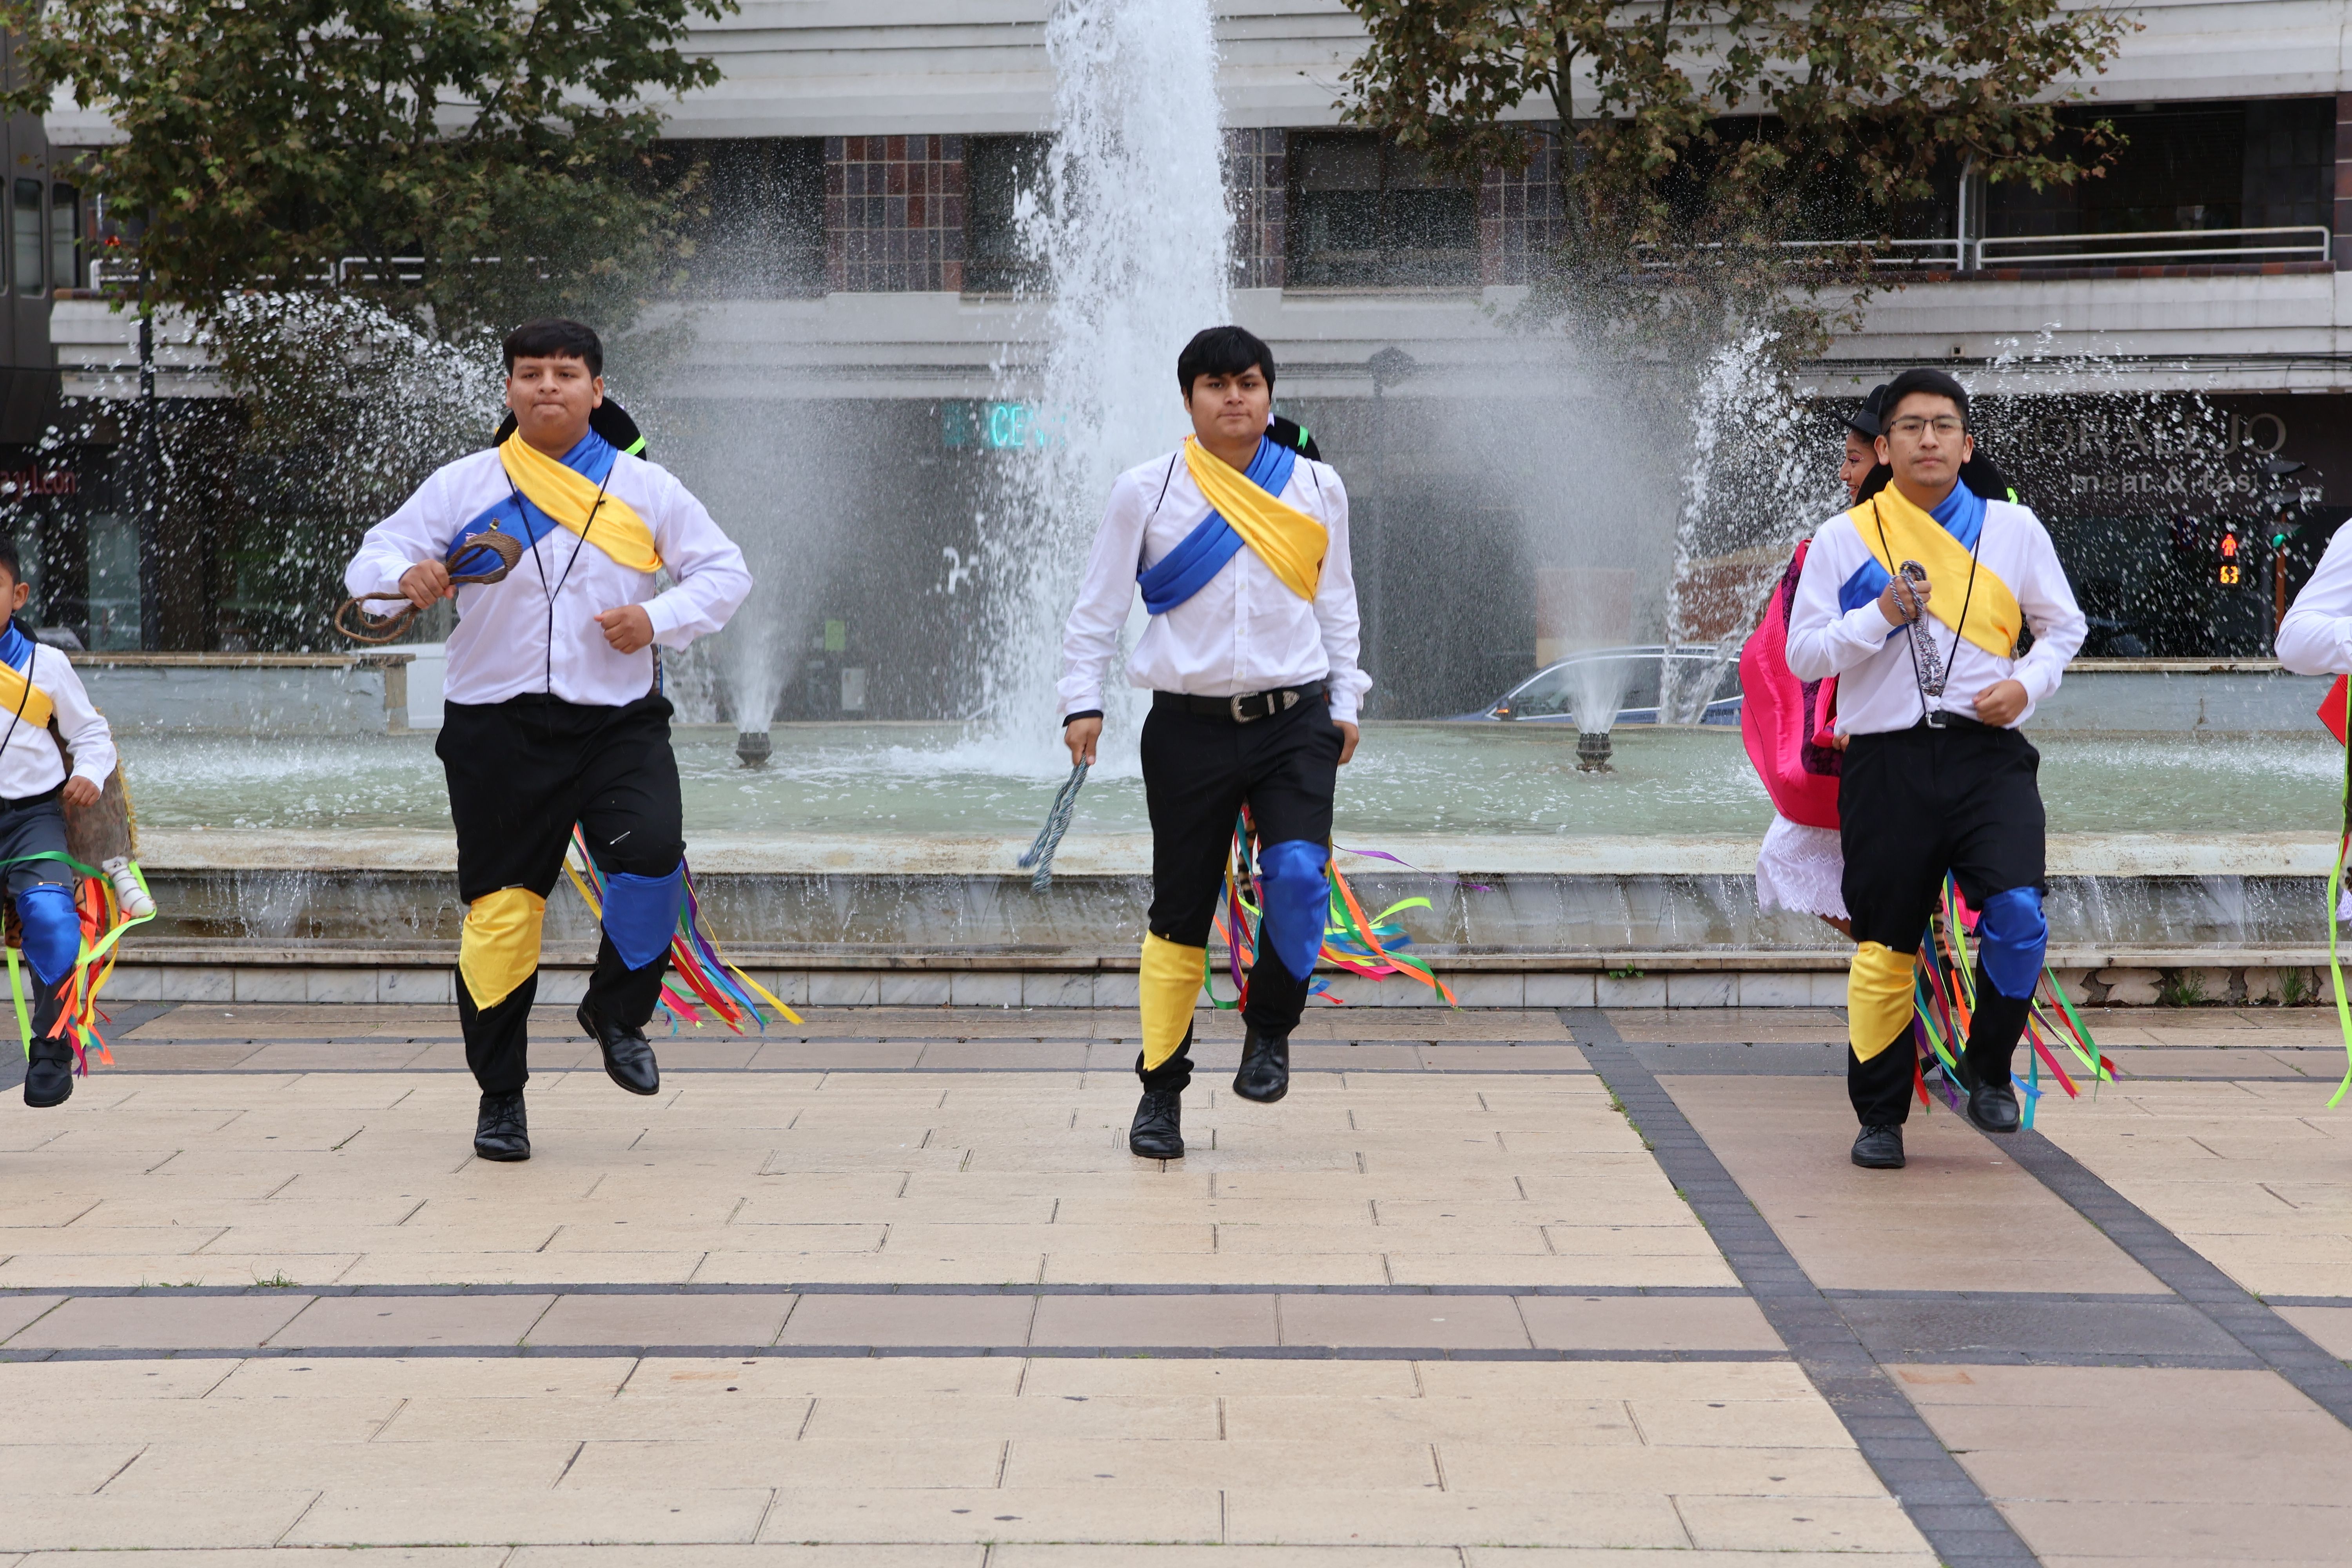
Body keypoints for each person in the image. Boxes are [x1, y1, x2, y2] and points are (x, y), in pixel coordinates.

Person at [346, 318, 750, 1162]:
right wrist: (402, 580)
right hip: (497, 727)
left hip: (617, 724)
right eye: (530, 373)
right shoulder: (462, 485)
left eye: (566, 373)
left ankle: (617, 1011)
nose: (548, 387)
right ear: (509, 390)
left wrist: (657, 616)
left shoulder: (647, 488)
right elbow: (376, 562)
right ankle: (502, 1098)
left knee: (652, 857)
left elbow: (725, 573)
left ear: (597, 391)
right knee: (503, 915)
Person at [1060, 324, 1368, 1160]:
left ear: (1270, 393)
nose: (1235, 397)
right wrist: (1080, 702)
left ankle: (1271, 1024)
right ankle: (1161, 1091)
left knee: (1300, 873)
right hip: (1187, 728)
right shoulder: (1146, 491)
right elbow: (1097, 609)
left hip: (1294, 719)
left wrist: (1347, 699)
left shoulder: (1316, 486)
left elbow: (1335, 603)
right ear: (1189, 398)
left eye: (1250, 382)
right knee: (1179, 914)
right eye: (1216, 385)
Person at [1785, 367, 2085, 1170]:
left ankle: (1988, 1065)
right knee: (1886, 946)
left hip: (1990, 757)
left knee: (2020, 910)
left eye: (1943, 426)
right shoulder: (1843, 538)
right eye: (1911, 426)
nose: (1928, 439)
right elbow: (1804, 652)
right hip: (1887, 761)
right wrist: (1878, 616)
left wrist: (2026, 684)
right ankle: (1880, 1117)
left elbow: (2065, 627)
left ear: (1967, 443)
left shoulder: (2014, 530)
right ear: (1883, 448)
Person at [0, 539, 119, 1107]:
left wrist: (92, 774)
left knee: (52, 919)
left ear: (18, 595)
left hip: (33, 818)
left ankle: (51, 1044)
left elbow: (91, 736)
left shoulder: (47, 665)